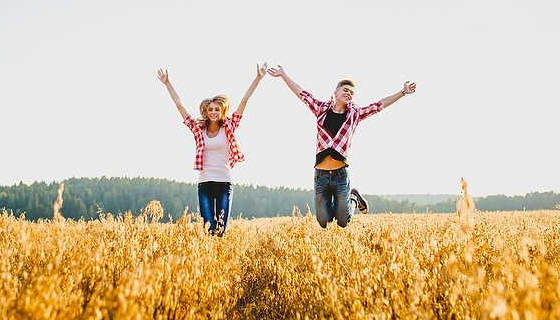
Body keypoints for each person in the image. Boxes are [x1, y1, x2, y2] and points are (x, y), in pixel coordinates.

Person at [267, 65, 416, 228]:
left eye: (352, 93)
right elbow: (301, 93)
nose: (349, 94)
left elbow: (379, 105)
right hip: (321, 175)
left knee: (343, 222)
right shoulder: (321, 109)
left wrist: (402, 92)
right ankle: (342, 204)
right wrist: (283, 75)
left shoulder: (355, 114)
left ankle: (353, 198)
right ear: (336, 92)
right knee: (324, 221)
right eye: (345, 90)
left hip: (340, 174)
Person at [157, 64, 268, 235]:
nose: (214, 113)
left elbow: (244, 101)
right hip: (205, 183)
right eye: (210, 110)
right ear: (206, 111)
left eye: (217, 109)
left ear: (222, 110)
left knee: (221, 229)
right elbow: (180, 106)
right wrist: (167, 83)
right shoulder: (198, 129)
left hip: (224, 183)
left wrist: (258, 78)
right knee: (208, 228)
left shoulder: (229, 126)